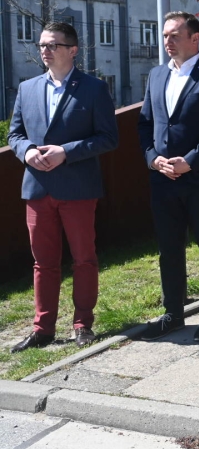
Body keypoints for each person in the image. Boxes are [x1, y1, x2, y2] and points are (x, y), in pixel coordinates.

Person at [8, 22, 118, 353]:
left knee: (84, 259)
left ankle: (83, 324)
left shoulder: (94, 89)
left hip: (78, 189)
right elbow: (15, 134)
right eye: (42, 44)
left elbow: (108, 138)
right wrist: (27, 151)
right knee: (43, 262)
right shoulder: (27, 88)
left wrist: (66, 152)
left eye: (52, 44)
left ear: (73, 50)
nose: (45, 50)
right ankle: (43, 329)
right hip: (37, 188)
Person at [137, 11, 199, 342]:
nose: (167, 41)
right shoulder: (156, 75)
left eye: (174, 35)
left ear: (195, 38)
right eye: (165, 35)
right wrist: (153, 159)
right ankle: (173, 313)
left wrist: (190, 162)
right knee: (169, 249)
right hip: (163, 180)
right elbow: (146, 124)